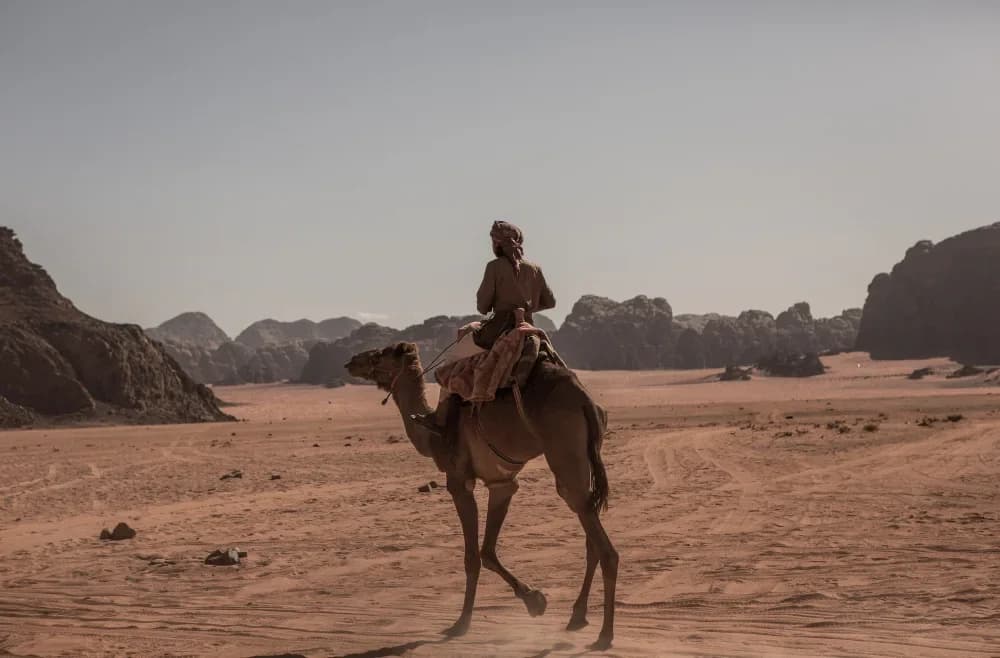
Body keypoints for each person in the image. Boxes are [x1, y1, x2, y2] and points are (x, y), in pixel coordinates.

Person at [410, 220, 556, 437]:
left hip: (497, 330)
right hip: (529, 329)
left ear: (497, 243)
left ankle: (441, 419)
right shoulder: (535, 269)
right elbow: (550, 302)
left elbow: (482, 306)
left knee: (452, 359)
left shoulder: (494, 267)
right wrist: (528, 306)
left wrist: (505, 305)